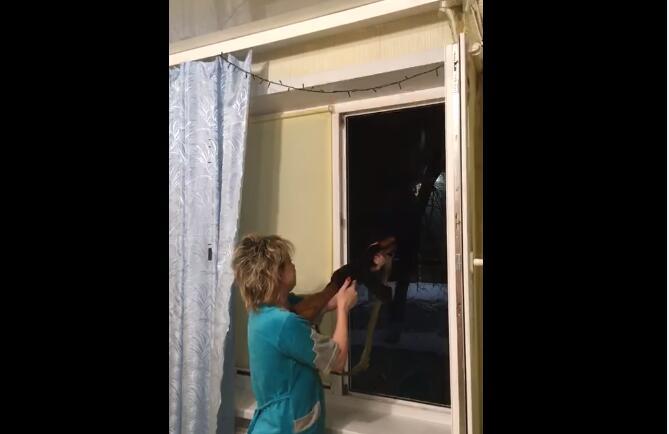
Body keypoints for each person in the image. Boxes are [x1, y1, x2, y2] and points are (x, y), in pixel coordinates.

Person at [232, 234, 358, 434]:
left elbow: (307, 309)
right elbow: (338, 360)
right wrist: (343, 308)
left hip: (273, 422)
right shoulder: (284, 323)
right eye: (289, 262)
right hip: (287, 426)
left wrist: (335, 298)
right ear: (277, 274)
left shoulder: (261, 313)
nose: (293, 265)